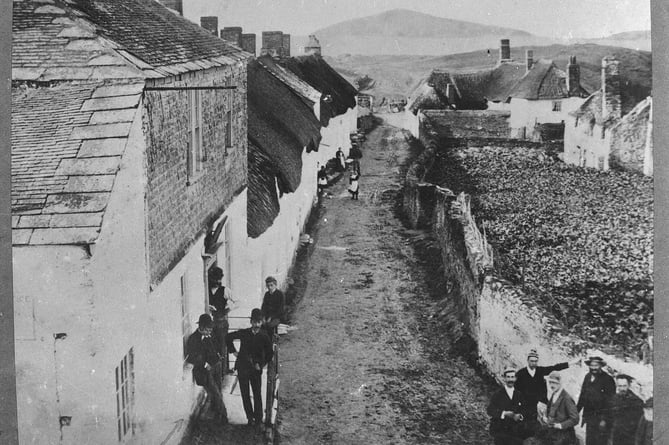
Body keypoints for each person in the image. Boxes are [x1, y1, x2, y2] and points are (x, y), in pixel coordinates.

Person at [226, 309, 274, 426]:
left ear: (261, 322)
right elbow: (228, 337)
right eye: (254, 322)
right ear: (251, 322)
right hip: (243, 367)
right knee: (245, 393)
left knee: (257, 393)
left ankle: (258, 418)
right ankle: (250, 418)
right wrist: (234, 352)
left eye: (258, 322)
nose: (256, 325)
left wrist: (261, 364)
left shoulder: (264, 336)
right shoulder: (244, 333)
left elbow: (270, 354)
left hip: (255, 369)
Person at [515, 349, 580, 425]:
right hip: (527, 404)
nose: (533, 363)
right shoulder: (521, 373)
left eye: (535, 361)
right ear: (527, 361)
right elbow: (516, 390)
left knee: (545, 423)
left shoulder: (540, 370)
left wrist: (572, 362)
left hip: (541, 402)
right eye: (531, 361)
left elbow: (555, 367)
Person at [185, 314, 227, 424]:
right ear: (201, 327)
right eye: (208, 330)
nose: (209, 332)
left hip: (216, 366)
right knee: (215, 392)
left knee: (218, 389)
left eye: (210, 329)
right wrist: (204, 364)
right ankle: (223, 416)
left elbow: (219, 345)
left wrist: (219, 356)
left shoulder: (211, 335)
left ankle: (216, 412)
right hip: (205, 370)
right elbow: (192, 356)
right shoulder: (193, 339)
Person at [487, 367, 533, 445]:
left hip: (515, 432)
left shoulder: (519, 394)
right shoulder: (498, 394)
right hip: (501, 431)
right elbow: (490, 410)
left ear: (515, 379)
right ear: (504, 379)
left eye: (512, 377)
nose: (510, 380)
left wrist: (520, 415)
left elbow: (525, 409)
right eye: (508, 377)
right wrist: (504, 413)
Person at [576, 356, 615, 445]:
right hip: (589, 417)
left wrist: (604, 420)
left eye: (596, 365)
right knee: (590, 441)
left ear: (600, 366)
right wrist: (576, 411)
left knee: (601, 441)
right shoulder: (587, 377)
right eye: (591, 365)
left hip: (602, 420)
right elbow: (583, 396)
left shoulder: (608, 379)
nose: (593, 368)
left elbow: (611, 402)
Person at [535, 371, 578, 445]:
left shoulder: (566, 398)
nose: (552, 385)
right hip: (554, 431)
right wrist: (545, 417)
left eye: (554, 383)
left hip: (564, 434)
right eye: (550, 382)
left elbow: (575, 419)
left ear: (560, 383)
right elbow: (549, 411)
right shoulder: (554, 394)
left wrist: (561, 425)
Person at [208, 267, 233, 374]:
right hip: (211, 323)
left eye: (218, 279)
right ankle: (216, 371)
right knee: (213, 346)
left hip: (222, 322)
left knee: (223, 346)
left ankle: (223, 371)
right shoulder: (206, 290)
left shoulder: (225, 290)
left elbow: (235, 302)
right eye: (214, 279)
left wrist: (227, 309)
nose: (217, 282)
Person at [609, 374, 644, 445]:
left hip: (631, 437)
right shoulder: (614, 399)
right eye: (620, 386)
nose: (622, 389)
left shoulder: (636, 401)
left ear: (629, 385)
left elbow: (639, 423)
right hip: (617, 435)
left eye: (624, 386)